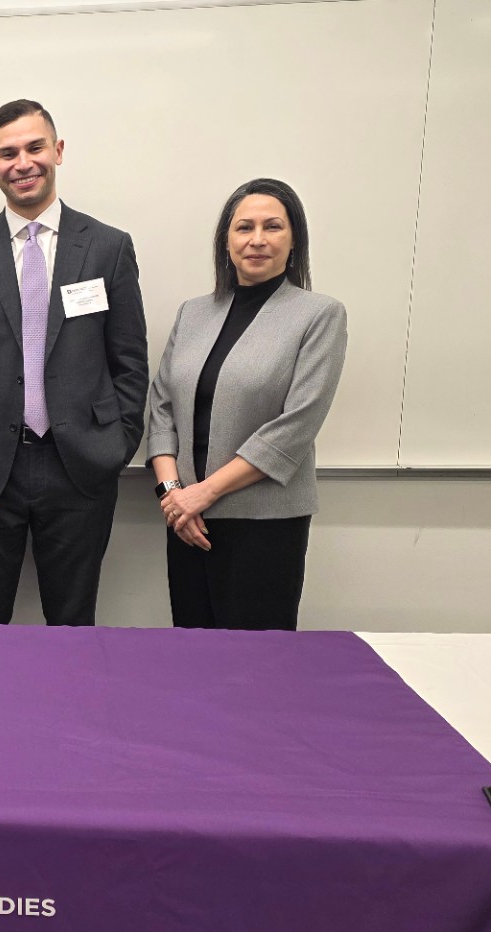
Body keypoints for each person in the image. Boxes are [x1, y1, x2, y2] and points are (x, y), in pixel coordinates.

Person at [0, 99, 149, 625]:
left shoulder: (107, 247)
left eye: (34, 147)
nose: (22, 162)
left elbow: (130, 360)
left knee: (73, 622)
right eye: (7, 153)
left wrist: (113, 448)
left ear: (58, 151)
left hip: (79, 468)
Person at [145, 177, 347, 630]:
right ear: (226, 241)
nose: (257, 239)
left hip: (264, 523)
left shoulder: (319, 315)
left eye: (272, 227)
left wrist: (203, 493)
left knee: (257, 666)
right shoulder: (193, 313)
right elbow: (161, 407)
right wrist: (173, 494)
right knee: (193, 657)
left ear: (294, 240)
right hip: (185, 519)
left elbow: (296, 425)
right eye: (244, 228)